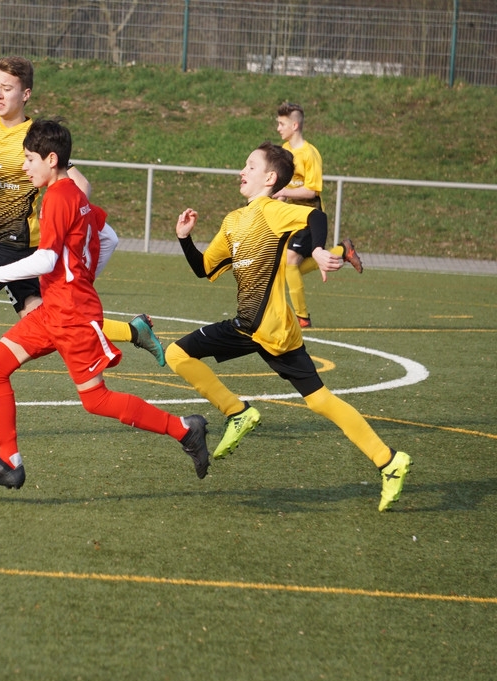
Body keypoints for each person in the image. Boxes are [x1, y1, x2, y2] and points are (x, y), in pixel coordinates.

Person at [0, 117, 209, 488]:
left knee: (95, 400)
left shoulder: (57, 197)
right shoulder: (74, 194)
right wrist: (81, 277)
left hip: (71, 315)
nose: (24, 167)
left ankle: (184, 429)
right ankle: (9, 462)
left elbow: (46, 259)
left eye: (29, 159)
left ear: (51, 159)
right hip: (54, 309)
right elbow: (109, 238)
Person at [0, 56, 163, 423]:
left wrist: (64, 213)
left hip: (21, 242)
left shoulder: (35, 137)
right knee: (41, 317)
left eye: (7, 88)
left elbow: (78, 184)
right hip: (4, 241)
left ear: (26, 94)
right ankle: (133, 331)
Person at [166, 141, 411, 512]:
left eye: (250, 166)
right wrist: (184, 238)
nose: (242, 171)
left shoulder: (271, 210)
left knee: (176, 353)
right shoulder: (233, 221)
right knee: (320, 400)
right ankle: (389, 460)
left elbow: (315, 219)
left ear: (269, 178)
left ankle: (237, 412)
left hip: (262, 327)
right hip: (265, 328)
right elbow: (204, 268)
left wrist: (317, 249)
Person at [273, 102, 362, 328]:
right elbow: (285, 185)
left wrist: (284, 192)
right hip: (290, 216)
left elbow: (312, 190)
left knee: (289, 262)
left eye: (281, 124)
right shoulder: (285, 150)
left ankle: (302, 317)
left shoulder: (310, 154)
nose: (278, 128)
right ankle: (342, 251)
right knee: (287, 267)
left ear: (294, 125)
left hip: (308, 216)